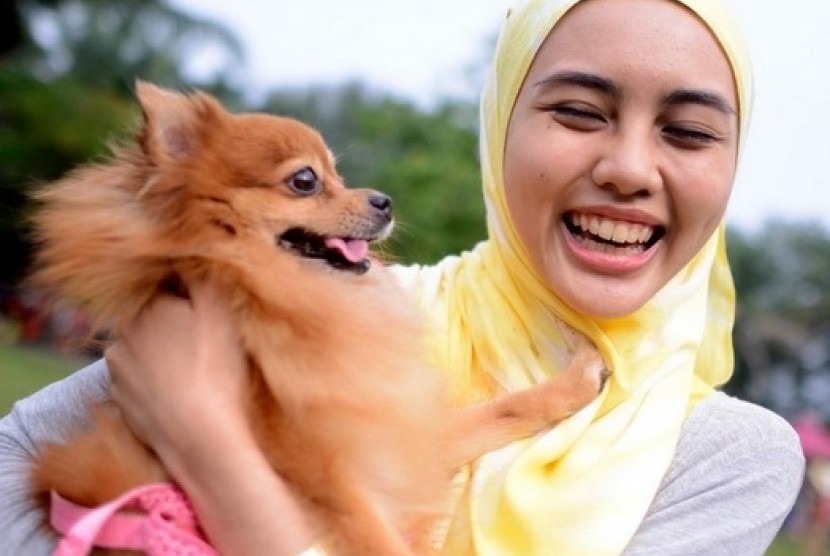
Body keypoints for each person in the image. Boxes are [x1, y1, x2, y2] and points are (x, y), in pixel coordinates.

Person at [0, 0, 806, 554]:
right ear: (498, 128)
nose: (630, 169)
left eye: (690, 131)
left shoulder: (731, 458)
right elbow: (20, 460)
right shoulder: (336, 302)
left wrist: (214, 452)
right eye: (580, 113)